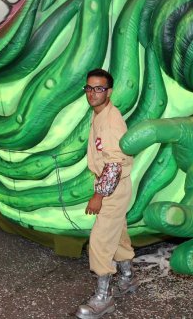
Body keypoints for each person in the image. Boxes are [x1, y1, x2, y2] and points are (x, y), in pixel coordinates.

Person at [76, 68, 136, 318]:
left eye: (99, 88)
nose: (93, 93)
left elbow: (114, 163)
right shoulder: (99, 113)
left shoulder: (110, 121)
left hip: (112, 189)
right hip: (116, 188)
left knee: (100, 241)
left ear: (108, 91)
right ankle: (128, 279)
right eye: (89, 88)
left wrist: (99, 195)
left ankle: (103, 298)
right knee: (118, 235)